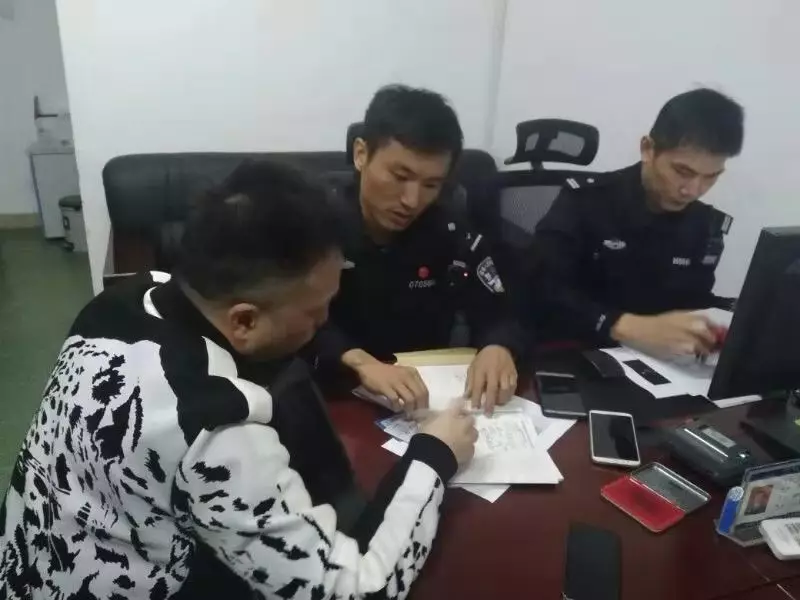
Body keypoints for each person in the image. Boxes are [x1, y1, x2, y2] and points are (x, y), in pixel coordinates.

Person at [0, 161, 478, 599]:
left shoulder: (124, 300)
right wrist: (434, 456)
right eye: (317, 311)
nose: (324, 321)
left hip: (30, 565)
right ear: (244, 321)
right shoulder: (215, 429)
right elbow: (360, 591)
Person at [306, 85, 526, 415]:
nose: (412, 201)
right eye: (400, 177)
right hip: (336, 395)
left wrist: (499, 345)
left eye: (431, 185)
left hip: (426, 401)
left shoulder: (449, 228)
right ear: (361, 154)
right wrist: (359, 361)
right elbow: (286, 322)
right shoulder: (314, 223)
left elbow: (502, 307)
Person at [532, 88, 745, 357]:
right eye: (682, 171)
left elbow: (692, 299)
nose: (692, 190)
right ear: (647, 149)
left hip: (657, 363)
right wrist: (622, 325)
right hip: (577, 352)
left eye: (711, 177)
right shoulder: (584, 202)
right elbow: (541, 290)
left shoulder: (705, 225)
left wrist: (724, 322)